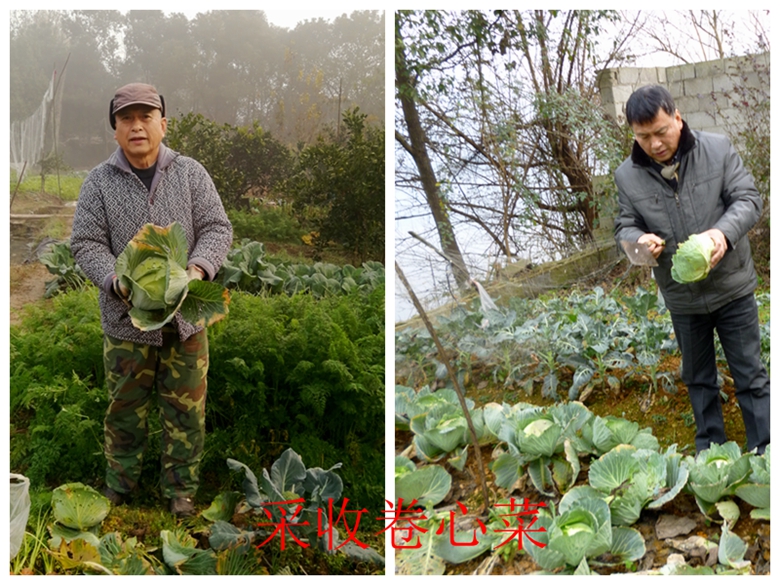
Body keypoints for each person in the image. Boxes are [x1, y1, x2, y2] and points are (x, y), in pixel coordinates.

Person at [71, 83, 233, 516]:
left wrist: (196, 270)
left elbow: (217, 227)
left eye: (146, 117)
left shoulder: (190, 173)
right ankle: (119, 484)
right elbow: (85, 242)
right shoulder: (98, 182)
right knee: (124, 408)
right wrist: (117, 281)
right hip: (126, 322)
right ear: (115, 129)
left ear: (164, 124)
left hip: (186, 319)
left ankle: (181, 491)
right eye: (126, 118)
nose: (137, 126)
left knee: (186, 411)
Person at [614, 84, 769, 455]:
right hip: (682, 296)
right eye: (643, 137)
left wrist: (722, 233)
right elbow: (624, 226)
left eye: (661, 131)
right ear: (633, 133)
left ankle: (766, 449)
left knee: (750, 374)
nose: (655, 144)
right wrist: (639, 242)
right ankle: (711, 452)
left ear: (678, 118)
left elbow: (749, 200)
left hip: (731, 286)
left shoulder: (717, 149)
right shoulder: (627, 176)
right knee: (698, 380)